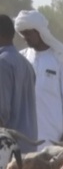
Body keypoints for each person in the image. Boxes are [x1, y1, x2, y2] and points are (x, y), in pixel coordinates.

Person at [14, 9, 63, 145]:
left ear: (39, 32)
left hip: (53, 135)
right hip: (25, 136)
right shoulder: (22, 58)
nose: (25, 37)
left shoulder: (61, 58)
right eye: (22, 34)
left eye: (28, 33)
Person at [0, 13, 37, 146]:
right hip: (28, 150)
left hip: (8, 152)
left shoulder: (3, 63)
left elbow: (1, 114)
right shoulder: (26, 65)